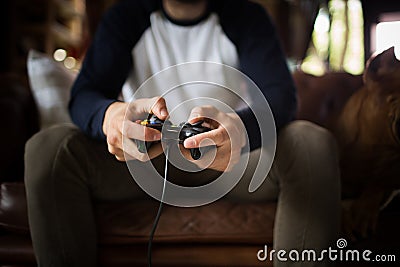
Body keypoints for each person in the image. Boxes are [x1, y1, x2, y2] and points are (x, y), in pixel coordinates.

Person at [24, 0, 341, 266]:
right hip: (143, 161)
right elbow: (85, 94)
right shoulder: (125, 17)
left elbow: (280, 95)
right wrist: (111, 115)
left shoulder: (246, 16)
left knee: (311, 142)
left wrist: (241, 128)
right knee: (48, 147)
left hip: (229, 161)